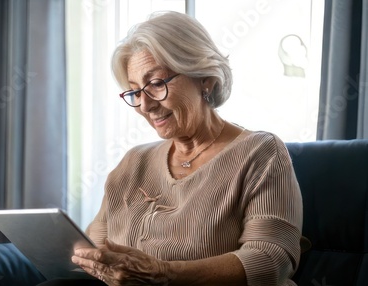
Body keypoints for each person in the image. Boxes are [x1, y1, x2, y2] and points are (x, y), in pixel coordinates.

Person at [39, 11, 302, 286]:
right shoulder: (133, 163)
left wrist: (164, 274)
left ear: (205, 80)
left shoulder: (261, 152)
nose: (145, 104)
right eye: (135, 92)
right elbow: (95, 250)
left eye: (156, 84)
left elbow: (272, 259)